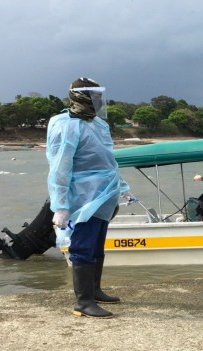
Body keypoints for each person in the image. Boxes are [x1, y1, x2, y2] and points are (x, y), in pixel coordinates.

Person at [47, 77, 135, 319]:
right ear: (81, 97)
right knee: (83, 246)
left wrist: (123, 186)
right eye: (93, 96)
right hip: (82, 196)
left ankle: (95, 290)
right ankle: (83, 302)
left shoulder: (99, 124)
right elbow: (59, 168)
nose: (97, 101)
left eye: (99, 96)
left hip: (105, 193)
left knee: (97, 245)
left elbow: (109, 160)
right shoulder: (65, 125)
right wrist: (61, 205)